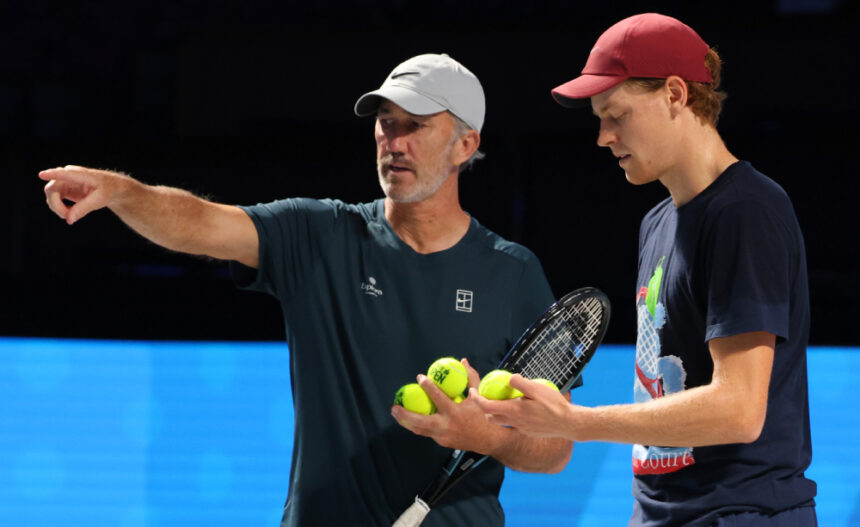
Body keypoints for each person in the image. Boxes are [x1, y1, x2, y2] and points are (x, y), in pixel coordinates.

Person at [39, 53, 572, 526]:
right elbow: (199, 223)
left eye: (414, 125)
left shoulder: (514, 273)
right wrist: (120, 192)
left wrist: (482, 437)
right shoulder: (319, 236)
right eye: (386, 125)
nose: (395, 142)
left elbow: (554, 446)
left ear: (465, 144)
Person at [472, 14, 817, 527]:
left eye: (616, 115)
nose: (603, 137)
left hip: (741, 514)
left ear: (676, 94)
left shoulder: (747, 211)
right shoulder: (656, 222)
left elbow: (740, 409)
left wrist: (573, 422)